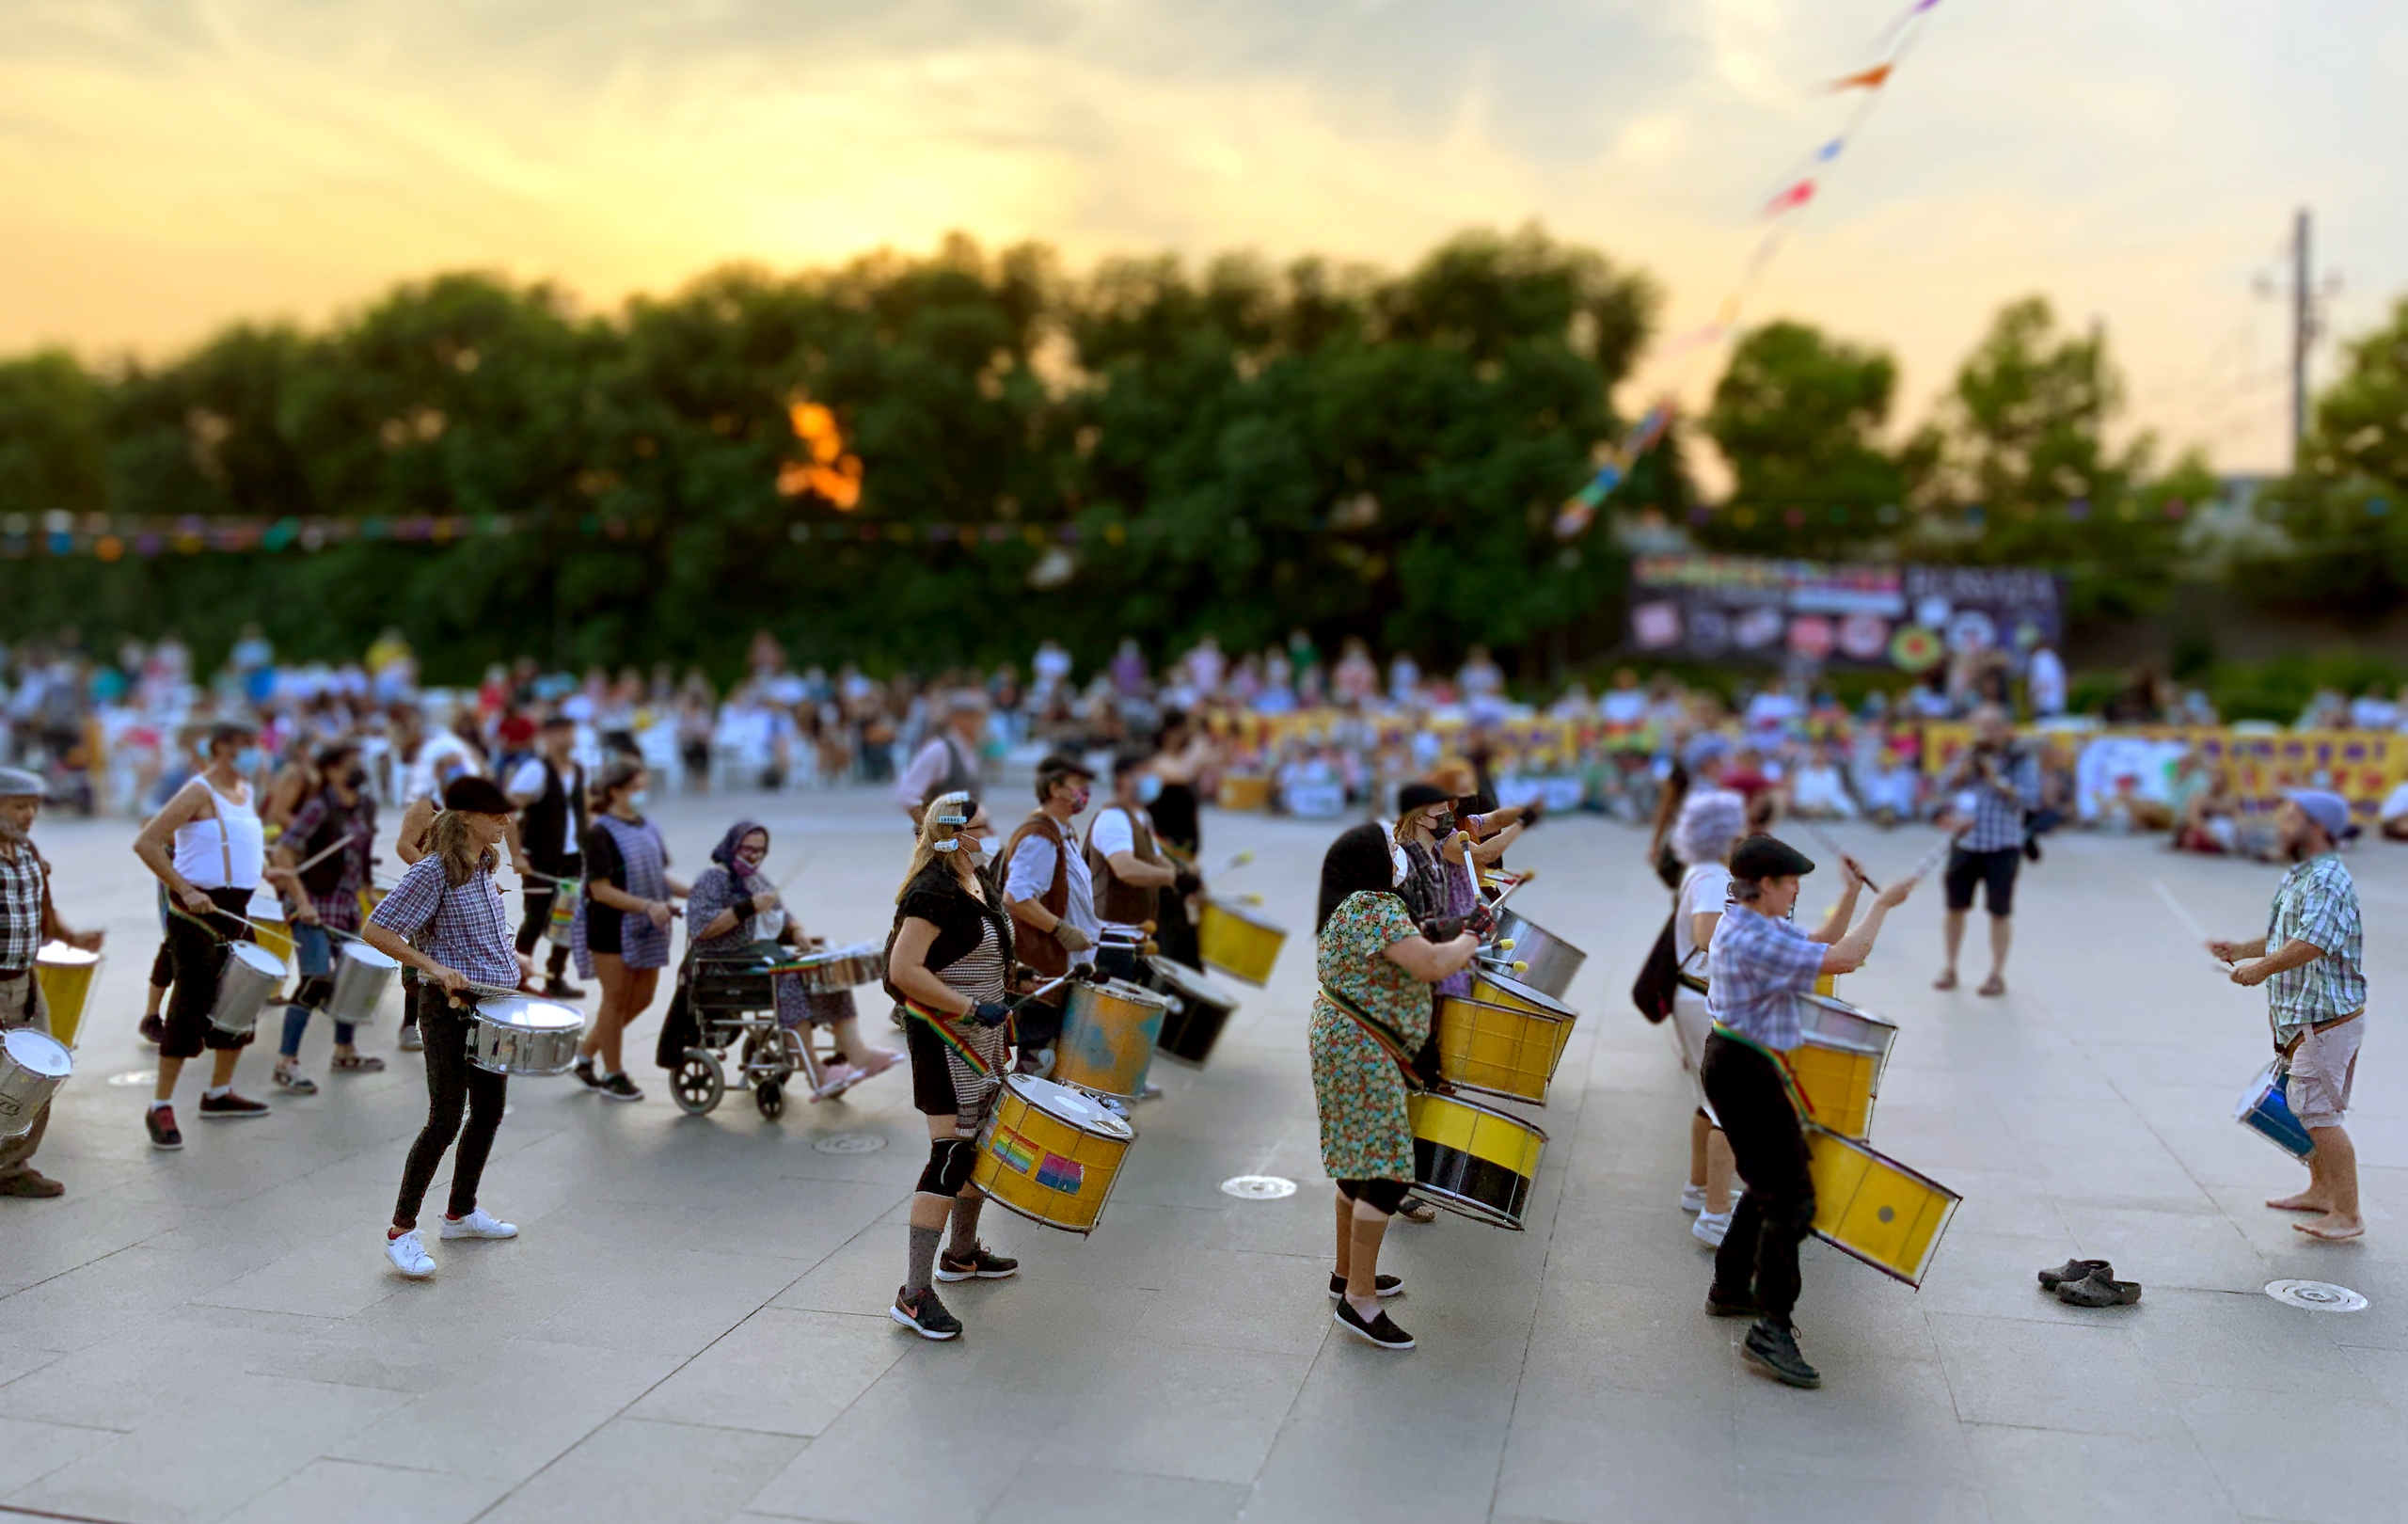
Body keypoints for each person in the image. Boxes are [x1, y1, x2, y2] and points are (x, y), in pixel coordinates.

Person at [1703, 834, 1916, 1389]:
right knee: (1792, 1198)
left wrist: (1851, 893)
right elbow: (1844, 958)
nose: (1798, 891)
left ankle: (1731, 1286)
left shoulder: (1756, 922)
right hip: (1744, 1069)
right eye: (1792, 882)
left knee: (1769, 1182)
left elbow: (1822, 941)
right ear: (1765, 885)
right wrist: (1881, 904)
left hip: (1749, 1063)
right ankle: (1771, 1328)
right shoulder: (1752, 936)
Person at [1310, 822, 1482, 1351]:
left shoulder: (1350, 905)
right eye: (1388, 849)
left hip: (1342, 1042)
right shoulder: (1373, 905)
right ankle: (1359, 1300)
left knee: (1355, 1162)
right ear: (1369, 858)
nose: (1397, 855)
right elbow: (1431, 964)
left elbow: (1409, 946)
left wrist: (1450, 927)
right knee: (1384, 1172)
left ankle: (1347, 1272)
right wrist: (1473, 935)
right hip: (1363, 1051)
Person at [360, 779, 525, 1278]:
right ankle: (401, 1232)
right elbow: (376, 929)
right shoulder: (433, 870)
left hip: (491, 1005)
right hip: (448, 1008)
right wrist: (432, 966)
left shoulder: (484, 863)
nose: (506, 822)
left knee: (489, 1111)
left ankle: (460, 1213)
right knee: (445, 1118)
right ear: (468, 816)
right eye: (497, 815)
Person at [885, 791, 1023, 1340]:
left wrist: (1013, 985)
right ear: (953, 833)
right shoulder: (932, 892)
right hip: (944, 1042)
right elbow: (903, 971)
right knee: (949, 1155)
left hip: (983, 1038)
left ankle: (961, 1255)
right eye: (979, 827)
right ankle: (914, 1293)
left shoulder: (974, 880)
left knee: (978, 1146)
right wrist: (968, 1006)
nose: (987, 835)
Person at [2210, 790, 2368, 1242]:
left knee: (2319, 1115)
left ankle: (2348, 1214)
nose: (2281, 823)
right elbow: (2286, 935)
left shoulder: (2327, 880)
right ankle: (2321, 1191)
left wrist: (2261, 968)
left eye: (2292, 817)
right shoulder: (2300, 874)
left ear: (2317, 827)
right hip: (2301, 1019)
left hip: (2327, 1021)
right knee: (2302, 1106)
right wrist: (2242, 950)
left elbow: (2311, 943)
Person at [131, 721, 274, 1149]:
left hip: (236, 911)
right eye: (244, 745)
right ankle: (160, 1105)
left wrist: (268, 870)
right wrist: (185, 889)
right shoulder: (199, 791)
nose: (252, 753)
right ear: (221, 748)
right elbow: (147, 842)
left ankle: (218, 1093)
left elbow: (234, 848)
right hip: (197, 914)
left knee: (242, 999)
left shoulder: (245, 792)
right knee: (188, 1007)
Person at [684, 819, 898, 1101]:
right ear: (731, 846)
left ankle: (858, 1053)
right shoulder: (712, 880)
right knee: (790, 979)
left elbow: (782, 915)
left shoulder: (757, 880)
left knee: (828, 971)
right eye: (747, 849)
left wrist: (797, 932)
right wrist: (746, 908)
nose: (753, 856)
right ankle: (816, 1073)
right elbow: (701, 928)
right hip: (726, 965)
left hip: (762, 957)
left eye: (759, 851)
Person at [0, 767, 105, 1198]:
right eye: (19, 806)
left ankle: (11, 1167)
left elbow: (41, 905)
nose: (29, 815)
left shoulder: (26, 850)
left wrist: (70, 936)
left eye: (34, 807)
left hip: (25, 981)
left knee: (38, 1074)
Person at [266, 743, 384, 1092]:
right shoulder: (319, 807)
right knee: (315, 980)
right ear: (331, 770)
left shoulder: (365, 804)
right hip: (313, 903)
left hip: (345, 905)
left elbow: (363, 849)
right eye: (350, 763)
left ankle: (344, 1051)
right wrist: (302, 902)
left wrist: (368, 890)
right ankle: (286, 1063)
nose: (357, 768)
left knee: (351, 978)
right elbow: (283, 852)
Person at [572, 758, 683, 1102]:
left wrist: (698, 891)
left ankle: (584, 1054)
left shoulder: (648, 826)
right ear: (615, 791)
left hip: (649, 924)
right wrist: (647, 905)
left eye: (643, 786)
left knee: (643, 998)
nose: (641, 793)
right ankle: (613, 1074)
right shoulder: (600, 833)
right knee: (616, 998)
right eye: (635, 787)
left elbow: (658, 876)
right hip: (610, 926)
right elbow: (600, 890)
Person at [1669, 788, 1748, 1248]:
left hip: (1690, 993)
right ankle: (1715, 1215)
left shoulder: (1704, 869)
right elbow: (1705, 935)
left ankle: (1698, 1188)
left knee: (1706, 1099)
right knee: (1726, 1107)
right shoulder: (1716, 876)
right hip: (1702, 996)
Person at [1001, 754, 1100, 1075]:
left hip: (1061, 968)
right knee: (1037, 1063)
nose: (1085, 792)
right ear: (1056, 789)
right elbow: (1017, 897)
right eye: (1078, 785)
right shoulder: (1039, 836)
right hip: (1041, 972)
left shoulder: (1062, 833)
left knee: (1053, 1061)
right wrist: (1061, 930)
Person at [1933, 706, 2039, 997]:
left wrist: (1997, 781)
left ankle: (1996, 973)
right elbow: (1940, 787)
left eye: (1992, 726)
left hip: (2002, 844)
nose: (1986, 733)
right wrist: (1961, 774)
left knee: (1999, 911)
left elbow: (2031, 799)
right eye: (1980, 726)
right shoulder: (1966, 755)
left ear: (2004, 729)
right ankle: (1950, 967)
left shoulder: (2019, 760)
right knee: (1955, 907)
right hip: (1966, 841)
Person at [505, 715, 587, 999]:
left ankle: (555, 977)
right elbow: (508, 811)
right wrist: (516, 854)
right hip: (541, 857)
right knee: (536, 918)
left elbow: (582, 810)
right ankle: (515, 977)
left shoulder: (578, 770)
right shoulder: (535, 770)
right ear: (548, 736)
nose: (569, 737)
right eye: (563, 731)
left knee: (567, 919)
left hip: (573, 857)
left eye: (571, 730)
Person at [1089, 753, 1184, 948]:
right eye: (1144, 772)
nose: (1152, 778)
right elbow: (1126, 869)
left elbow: (1156, 858)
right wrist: (1173, 877)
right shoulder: (1114, 819)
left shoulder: (1142, 816)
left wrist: (1186, 879)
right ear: (1123, 779)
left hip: (1137, 932)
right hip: (1111, 935)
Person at [1142, 712, 1213, 969]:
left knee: (1187, 934)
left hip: (1185, 852)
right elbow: (1180, 773)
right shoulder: (1154, 764)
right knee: (1170, 933)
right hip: (1162, 852)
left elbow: (1213, 761)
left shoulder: (1186, 762)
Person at [895, 691, 989, 825]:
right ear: (957, 718)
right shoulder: (939, 749)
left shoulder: (972, 750)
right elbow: (906, 794)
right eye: (973, 717)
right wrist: (931, 829)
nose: (979, 723)